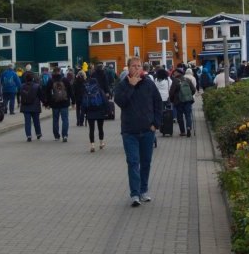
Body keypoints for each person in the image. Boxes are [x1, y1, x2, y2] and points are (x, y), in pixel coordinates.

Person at [113, 57, 162, 206]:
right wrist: (131, 86)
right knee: (133, 162)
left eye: (138, 66)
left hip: (147, 131)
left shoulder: (149, 84)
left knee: (146, 162)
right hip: (130, 132)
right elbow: (120, 102)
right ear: (128, 68)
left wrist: (156, 124)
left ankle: (144, 191)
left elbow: (158, 103)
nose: (136, 68)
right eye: (133, 66)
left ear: (142, 68)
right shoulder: (122, 85)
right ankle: (135, 194)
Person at [82, 72, 109, 152]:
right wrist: (107, 110)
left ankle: (92, 145)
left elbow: (83, 103)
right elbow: (105, 101)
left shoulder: (87, 90)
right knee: (100, 128)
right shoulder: (99, 90)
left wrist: (83, 113)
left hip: (90, 112)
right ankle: (101, 143)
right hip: (100, 111)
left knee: (91, 129)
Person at [169, 67, 196, 138]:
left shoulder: (175, 81)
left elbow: (171, 92)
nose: (174, 73)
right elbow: (193, 90)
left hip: (179, 101)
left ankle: (183, 131)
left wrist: (172, 100)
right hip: (188, 101)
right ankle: (189, 128)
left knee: (180, 116)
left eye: (175, 72)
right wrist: (188, 96)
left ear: (178, 73)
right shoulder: (187, 80)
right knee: (188, 115)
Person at [45, 68, 71, 142]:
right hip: (64, 103)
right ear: (60, 72)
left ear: (53, 72)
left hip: (54, 103)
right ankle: (65, 135)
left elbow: (47, 92)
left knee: (55, 120)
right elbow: (70, 90)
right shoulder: (65, 80)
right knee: (65, 119)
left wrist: (47, 103)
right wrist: (72, 101)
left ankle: (56, 136)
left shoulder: (51, 81)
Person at [19, 70, 44, 142]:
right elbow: (41, 96)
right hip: (35, 106)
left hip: (25, 106)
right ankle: (38, 134)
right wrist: (45, 103)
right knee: (36, 121)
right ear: (33, 79)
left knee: (27, 122)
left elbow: (20, 95)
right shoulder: (37, 86)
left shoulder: (22, 86)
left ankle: (29, 136)